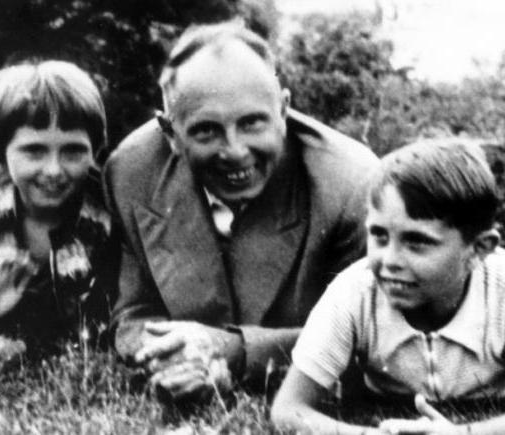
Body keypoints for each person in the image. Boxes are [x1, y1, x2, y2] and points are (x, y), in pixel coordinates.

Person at [103, 20, 379, 398]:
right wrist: (173, 356)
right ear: (170, 133)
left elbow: (367, 336)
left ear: (283, 110)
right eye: (206, 130)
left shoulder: (352, 184)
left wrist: (232, 354)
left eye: (252, 123)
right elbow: (134, 313)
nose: (234, 151)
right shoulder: (131, 171)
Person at [271, 140, 505, 434]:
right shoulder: (355, 290)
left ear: (478, 249)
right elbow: (288, 409)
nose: (390, 260)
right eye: (379, 235)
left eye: (417, 241)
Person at [0, 60, 114, 364]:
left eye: (73, 150)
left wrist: (28, 350)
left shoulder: (107, 216)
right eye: (34, 151)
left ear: (96, 149)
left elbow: (111, 317)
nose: (53, 170)